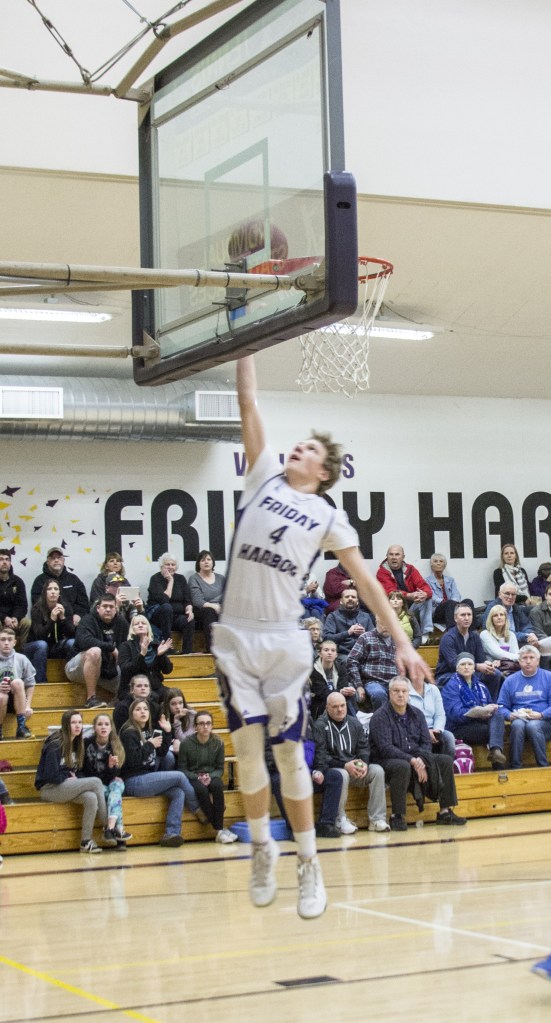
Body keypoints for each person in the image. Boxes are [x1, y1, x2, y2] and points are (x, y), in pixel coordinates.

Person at [211, 354, 429, 919]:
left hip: (284, 640)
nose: (296, 450)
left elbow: (369, 583)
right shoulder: (261, 476)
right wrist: (247, 341)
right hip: (235, 637)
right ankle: (263, 849)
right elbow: (247, 401)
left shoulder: (327, 516)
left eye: (309, 448)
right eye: (297, 444)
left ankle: (309, 863)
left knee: (287, 758)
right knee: (248, 755)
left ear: (325, 471)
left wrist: (402, 641)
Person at [369, 676, 466, 830]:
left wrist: (421, 759)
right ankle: (397, 816)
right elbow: (385, 748)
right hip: (386, 760)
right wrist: (412, 760)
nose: (400, 694)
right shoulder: (380, 716)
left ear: (409, 693)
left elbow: (426, 742)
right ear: (389, 693)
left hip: (415, 757)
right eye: (396, 691)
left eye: (404, 691)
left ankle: (445, 812)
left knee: (445, 761)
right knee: (402, 766)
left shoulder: (417, 714)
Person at [119, 698, 197, 847]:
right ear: (131, 714)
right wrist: (149, 744)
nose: (143, 711)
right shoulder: (129, 733)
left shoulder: (149, 731)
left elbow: (161, 752)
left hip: (148, 778)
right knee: (179, 776)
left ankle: (171, 833)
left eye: (145, 709)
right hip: (133, 781)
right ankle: (199, 808)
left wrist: (168, 732)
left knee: (178, 792)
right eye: (138, 709)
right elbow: (132, 761)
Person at [313, 691, 389, 833]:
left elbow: (363, 748)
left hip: (354, 767)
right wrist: (344, 765)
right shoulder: (319, 725)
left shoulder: (354, 723)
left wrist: (364, 763)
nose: (340, 709)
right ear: (327, 708)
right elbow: (321, 757)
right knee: (341, 774)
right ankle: (339, 819)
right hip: (335, 770)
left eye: (342, 705)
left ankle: (377, 819)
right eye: (335, 706)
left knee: (377, 770)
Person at [35, 709, 108, 853]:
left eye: (80, 722)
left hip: (65, 786)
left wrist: (74, 777)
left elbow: (78, 771)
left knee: (91, 797)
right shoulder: (55, 744)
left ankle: (86, 842)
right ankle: (109, 827)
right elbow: (51, 775)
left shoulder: (77, 744)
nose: (77, 726)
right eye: (73, 722)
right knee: (96, 782)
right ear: (65, 725)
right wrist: (68, 775)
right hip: (49, 788)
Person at [178, 710, 237, 844]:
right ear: (196, 727)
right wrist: (197, 777)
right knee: (201, 790)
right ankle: (220, 829)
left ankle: (220, 830)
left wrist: (210, 776)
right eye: (202, 723)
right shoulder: (186, 743)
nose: (205, 726)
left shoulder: (218, 743)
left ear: (212, 726)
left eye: (208, 723)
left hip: (211, 775)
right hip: (194, 776)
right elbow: (182, 768)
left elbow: (220, 768)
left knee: (217, 786)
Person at [441, 653, 506, 767]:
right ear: (457, 668)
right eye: (463, 664)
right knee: (494, 731)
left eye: (470, 664)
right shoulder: (451, 686)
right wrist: (477, 712)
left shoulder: (481, 686)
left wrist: (488, 710)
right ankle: (497, 759)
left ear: (473, 668)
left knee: (497, 714)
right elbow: (455, 714)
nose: (466, 667)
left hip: (478, 724)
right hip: (458, 728)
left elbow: (489, 705)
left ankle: (496, 751)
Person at [65, 593, 129, 708]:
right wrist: (111, 648)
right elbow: (83, 641)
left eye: (111, 607)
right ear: (98, 608)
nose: (108, 609)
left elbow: (127, 646)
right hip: (77, 667)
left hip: (106, 670)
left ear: (116, 609)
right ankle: (91, 698)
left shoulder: (122, 623)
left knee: (135, 686)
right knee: (95, 651)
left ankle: (116, 702)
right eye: (105, 606)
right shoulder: (88, 619)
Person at [497, 646, 551, 768]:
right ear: (519, 661)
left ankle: (543, 767)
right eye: (524, 658)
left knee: (533, 726)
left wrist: (541, 715)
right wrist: (509, 715)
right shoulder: (510, 680)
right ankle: (515, 766)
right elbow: (501, 706)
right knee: (517, 725)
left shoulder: (549, 677)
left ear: (538, 661)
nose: (528, 661)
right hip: (520, 720)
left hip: (545, 721)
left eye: (531, 658)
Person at [83, 713, 132, 847]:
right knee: (114, 796)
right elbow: (89, 774)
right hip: (95, 784)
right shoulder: (87, 744)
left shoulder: (116, 745)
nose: (103, 727)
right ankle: (119, 831)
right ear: (94, 728)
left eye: (106, 724)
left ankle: (109, 828)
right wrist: (108, 771)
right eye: (100, 724)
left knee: (116, 786)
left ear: (111, 728)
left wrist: (111, 768)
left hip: (110, 782)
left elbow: (117, 774)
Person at [435, 602, 503, 697]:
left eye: (469, 615)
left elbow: (481, 659)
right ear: (455, 618)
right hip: (448, 675)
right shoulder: (448, 638)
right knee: (465, 675)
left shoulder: (475, 636)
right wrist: (478, 666)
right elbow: (454, 665)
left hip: (470, 671)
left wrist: (489, 664)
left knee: (495, 673)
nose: (466, 618)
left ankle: (490, 705)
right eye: (463, 615)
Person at [376, 545, 433, 642]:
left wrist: (424, 594)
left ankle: (425, 633)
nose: (394, 557)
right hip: (393, 607)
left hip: (411, 608)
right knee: (394, 600)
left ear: (403, 557)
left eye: (397, 554)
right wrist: (409, 595)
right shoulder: (381, 572)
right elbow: (390, 591)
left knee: (427, 598)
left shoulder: (411, 569)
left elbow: (425, 587)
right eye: (391, 554)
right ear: (387, 556)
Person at [23, 580, 75, 683]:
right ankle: (41, 682)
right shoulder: (37, 609)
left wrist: (63, 618)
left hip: (56, 646)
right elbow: (39, 636)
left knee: (72, 643)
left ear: (59, 593)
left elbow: (72, 633)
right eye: (49, 589)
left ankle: (72, 678)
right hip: (36, 646)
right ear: (44, 592)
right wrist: (52, 620)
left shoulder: (66, 607)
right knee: (42, 645)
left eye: (56, 589)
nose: (53, 592)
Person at [346, 616, 399, 710]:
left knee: (409, 695)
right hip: (372, 681)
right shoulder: (366, 637)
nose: (386, 626)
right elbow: (351, 660)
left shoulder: (399, 640)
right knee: (379, 694)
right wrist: (359, 686)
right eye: (382, 623)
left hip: (395, 681)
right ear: (376, 622)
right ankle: (381, 723)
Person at [146, 554, 194, 653]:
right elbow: (164, 600)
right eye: (167, 564)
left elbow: (187, 599)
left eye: (173, 564)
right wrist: (171, 581)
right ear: (161, 566)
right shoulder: (155, 579)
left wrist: (189, 609)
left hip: (176, 616)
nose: (171, 567)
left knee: (189, 620)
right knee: (167, 608)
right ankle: (167, 647)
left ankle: (187, 653)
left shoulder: (181, 579)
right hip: (159, 616)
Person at [117, 614, 173, 699]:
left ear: (148, 628)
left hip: (155, 687)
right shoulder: (126, 646)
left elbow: (167, 670)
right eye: (137, 624)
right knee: (153, 698)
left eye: (143, 623)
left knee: (173, 695)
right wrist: (142, 654)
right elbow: (126, 670)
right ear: (132, 629)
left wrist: (161, 656)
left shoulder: (155, 645)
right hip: (133, 688)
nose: (140, 625)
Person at [31, 547, 89, 625]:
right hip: (47, 621)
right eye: (53, 558)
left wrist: (78, 614)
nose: (56, 560)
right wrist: (52, 615)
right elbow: (37, 603)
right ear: (47, 561)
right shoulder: (39, 581)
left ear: (63, 560)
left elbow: (83, 602)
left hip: (72, 621)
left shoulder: (74, 579)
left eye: (59, 557)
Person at [407, 673, 456, 758]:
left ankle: (446, 769)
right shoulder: (405, 690)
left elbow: (440, 714)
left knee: (449, 738)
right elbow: (408, 719)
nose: (418, 673)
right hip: (414, 730)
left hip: (434, 729)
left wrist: (437, 729)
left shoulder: (433, 689)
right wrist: (425, 731)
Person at [0, 627, 35, 740]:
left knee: (18, 682)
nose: (6, 643)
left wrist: (28, 705)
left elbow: (30, 683)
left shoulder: (22, 659)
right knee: (2, 696)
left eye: (9, 640)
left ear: (14, 642)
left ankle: (21, 727)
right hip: (1, 700)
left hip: (18, 701)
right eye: (3, 639)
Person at [188, 550, 225, 652]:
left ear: (213, 562)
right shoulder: (194, 578)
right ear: (198, 564)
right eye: (203, 560)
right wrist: (214, 605)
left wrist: (220, 605)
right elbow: (198, 601)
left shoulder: (221, 578)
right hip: (202, 611)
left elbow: (226, 596)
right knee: (209, 612)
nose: (206, 562)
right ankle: (211, 649)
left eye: (209, 559)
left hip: (220, 609)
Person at [323, 586, 374, 660]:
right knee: (349, 662)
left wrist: (364, 634)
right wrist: (348, 632)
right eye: (347, 597)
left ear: (357, 601)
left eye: (353, 597)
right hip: (342, 654)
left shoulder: (366, 616)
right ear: (341, 601)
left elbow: (375, 640)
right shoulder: (333, 616)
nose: (350, 598)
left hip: (364, 654)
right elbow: (327, 638)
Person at [309, 639, 355, 719]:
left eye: (333, 650)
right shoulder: (313, 670)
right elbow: (322, 693)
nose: (330, 653)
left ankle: (354, 722)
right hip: (320, 704)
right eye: (326, 650)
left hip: (338, 701)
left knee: (351, 695)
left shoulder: (341, 669)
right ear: (320, 653)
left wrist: (348, 692)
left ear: (336, 655)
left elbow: (343, 687)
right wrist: (341, 692)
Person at [426, 553, 471, 630]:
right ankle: (452, 633)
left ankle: (472, 631)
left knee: (468, 602)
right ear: (431, 565)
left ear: (445, 565)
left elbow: (456, 595)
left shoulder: (450, 580)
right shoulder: (427, 581)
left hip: (452, 608)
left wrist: (454, 604)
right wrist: (448, 602)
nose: (438, 563)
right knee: (449, 603)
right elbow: (432, 597)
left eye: (441, 561)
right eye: (435, 561)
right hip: (437, 612)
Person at [480, 603, 520, 675]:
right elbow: (497, 653)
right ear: (491, 619)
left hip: (509, 667)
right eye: (495, 615)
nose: (499, 617)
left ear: (505, 617)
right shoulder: (485, 634)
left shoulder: (511, 635)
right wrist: (518, 657)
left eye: (501, 615)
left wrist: (503, 662)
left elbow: (516, 652)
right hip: (492, 668)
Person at [0, 549, 28, 644]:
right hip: (1, 619)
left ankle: (24, 653)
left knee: (27, 623)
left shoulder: (18, 581)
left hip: (14, 619)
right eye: (1, 559)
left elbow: (22, 604)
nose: (4, 562)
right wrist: (4, 618)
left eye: (7, 559)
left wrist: (16, 617)